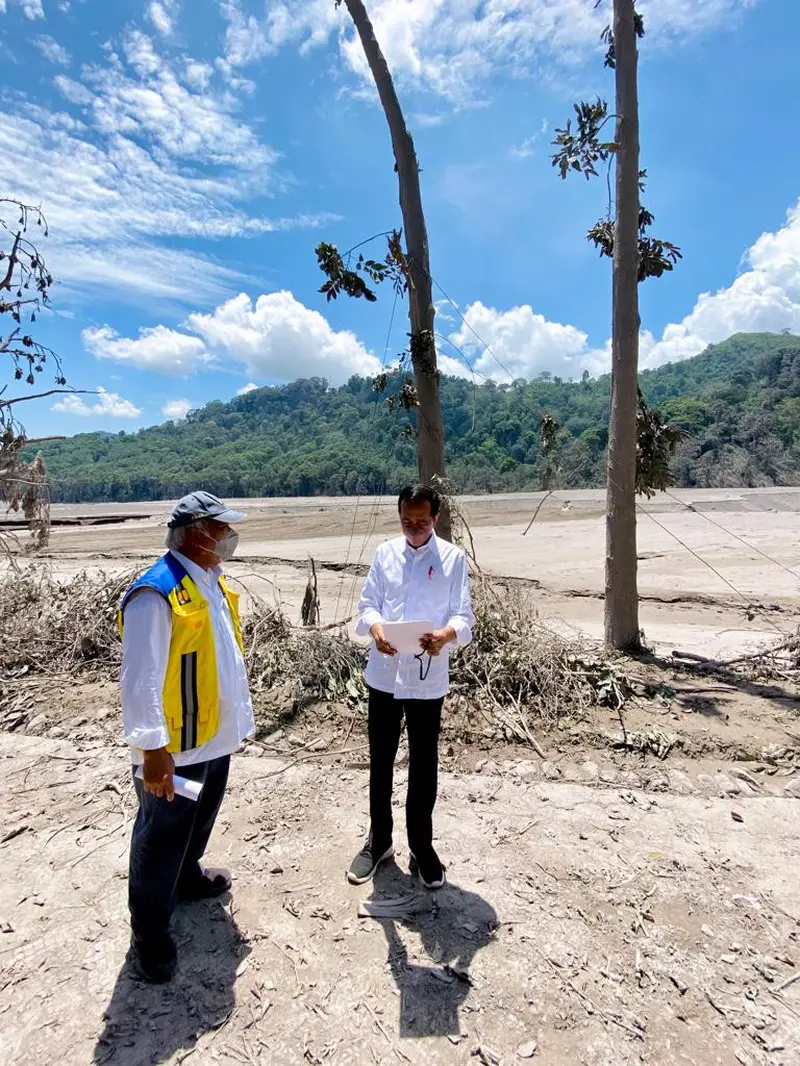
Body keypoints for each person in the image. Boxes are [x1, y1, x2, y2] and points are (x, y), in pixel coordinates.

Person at [118, 491, 255, 983]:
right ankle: (149, 935)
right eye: (223, 530)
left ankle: (188, 876)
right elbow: (139, 679)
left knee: (197, 823)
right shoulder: (155, 593)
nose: (229, 539)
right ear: (198, 534)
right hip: (175, 746)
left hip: (213, 737)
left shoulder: (207, 580)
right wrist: (153, 750)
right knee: (161, 837)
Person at [347, 484, 475, 890]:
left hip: (427, 678)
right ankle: (379, 841)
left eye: (422, 522)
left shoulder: (452, 559)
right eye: (407, 521)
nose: (414, 529)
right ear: (399, 516)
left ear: (436, 519)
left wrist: (445, 636)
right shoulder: (385, 554)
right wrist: (377, 627)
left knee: (424, 765)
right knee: (381, 761)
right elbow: (366, 606)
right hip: (384, 675)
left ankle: (422, 848)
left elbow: (464, 617)